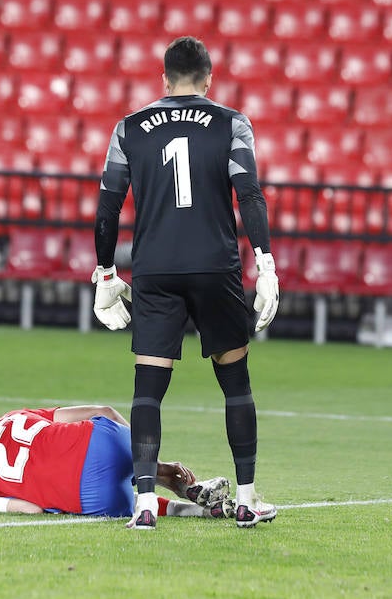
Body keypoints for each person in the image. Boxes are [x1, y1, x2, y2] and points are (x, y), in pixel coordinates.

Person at [91, 36, 280, 531]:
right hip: (215, 265)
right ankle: (245, 500)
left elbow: (108, 205)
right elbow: (249, 193)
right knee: (234, 382)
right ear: (209, 79)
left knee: (148, 388)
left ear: (164, 79)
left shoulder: (128, 128)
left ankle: (145, 505)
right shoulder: (232, 122)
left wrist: (106, 273)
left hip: (156, 269)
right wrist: (265, 263)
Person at [0, 404, 233, 519]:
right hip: (104, 441)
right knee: (125, 458)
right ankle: (156, 470)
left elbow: (30, 509)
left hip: (93, 498)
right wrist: (129, 446)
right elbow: (102, 411)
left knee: (124, 496)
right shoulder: (8, 418)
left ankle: (192, 511)